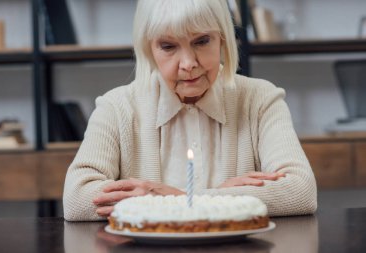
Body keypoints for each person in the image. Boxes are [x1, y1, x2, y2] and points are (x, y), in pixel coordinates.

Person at [63, 0, 317, 221]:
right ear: (148, 49)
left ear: (223, 39)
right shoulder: (116, 106)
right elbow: (77, 200)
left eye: (202, 41)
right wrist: (224, 198)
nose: (188, 64)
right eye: (168, 46)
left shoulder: (261, 99)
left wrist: (175, 198)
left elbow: (300, 192)